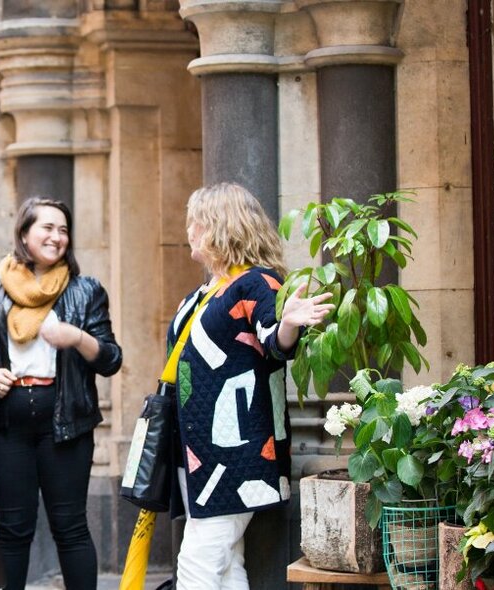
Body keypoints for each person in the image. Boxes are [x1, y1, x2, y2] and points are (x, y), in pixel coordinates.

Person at [169, 182, 333, 589]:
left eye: (195, 221)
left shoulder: (258, 283)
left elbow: (273, 340)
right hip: (196, 452)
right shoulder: (201, 294)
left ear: (216, 227)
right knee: (225, 565)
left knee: (198, 562)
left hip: (235, 454)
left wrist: (288, 325)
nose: (188, 230)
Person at [0, 197, 122, 590]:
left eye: (63, 229)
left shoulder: (85, 290)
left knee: (70, 527)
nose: (56, 237)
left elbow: (111, 359)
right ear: (24, 233)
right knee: (13, 531)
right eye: (47, 228)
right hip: (8, 425)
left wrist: (77, 338)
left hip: (65, 424)